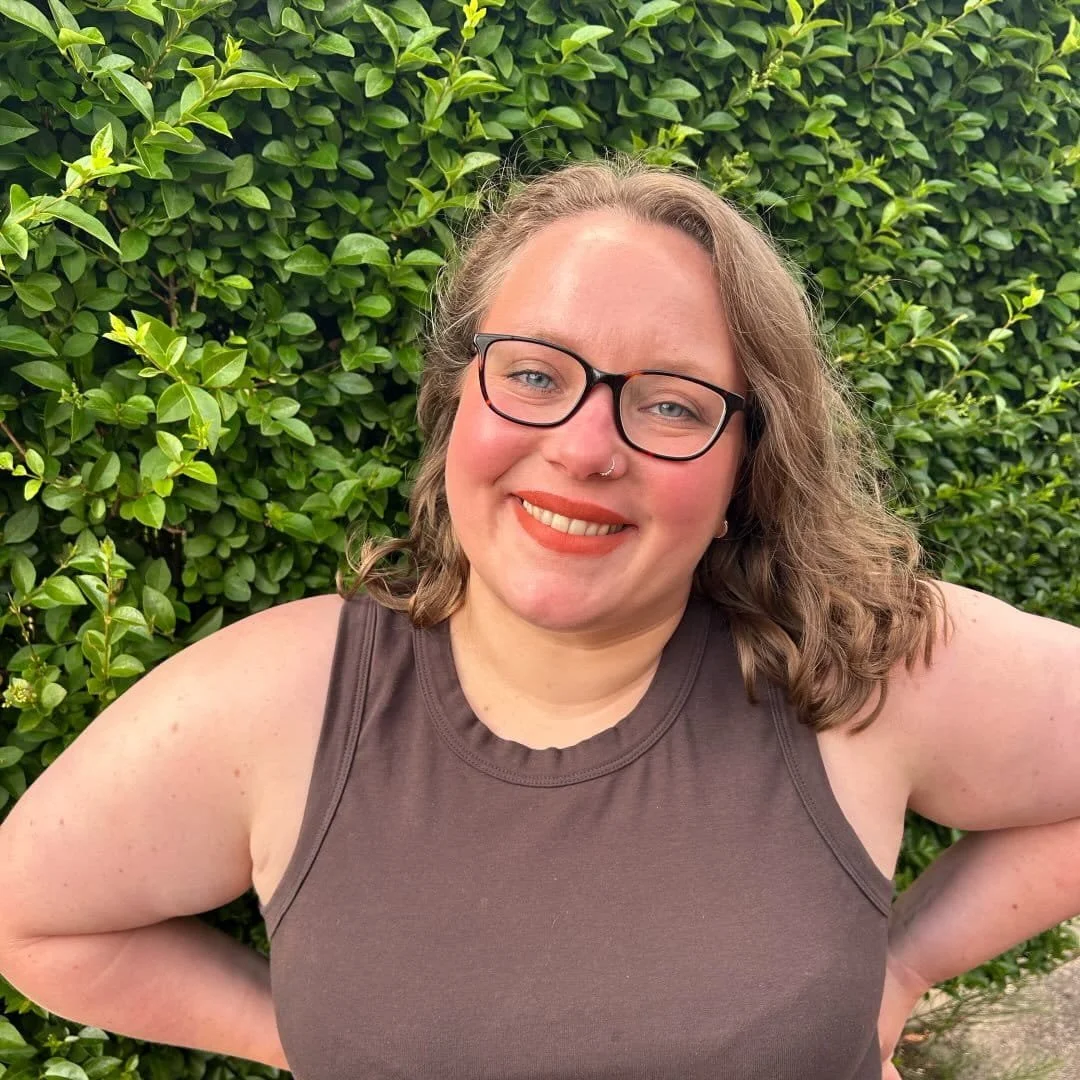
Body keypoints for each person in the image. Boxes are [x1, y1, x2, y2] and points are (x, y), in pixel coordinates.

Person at [0, 157, 1077, 1080]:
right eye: (532, 372)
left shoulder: (855, 660)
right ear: (458, 398)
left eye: (669, 402)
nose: (583, 447)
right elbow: (30, 916)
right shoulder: (281, 700)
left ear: (750, 463)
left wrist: (906, 962)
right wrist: (308, 1039)